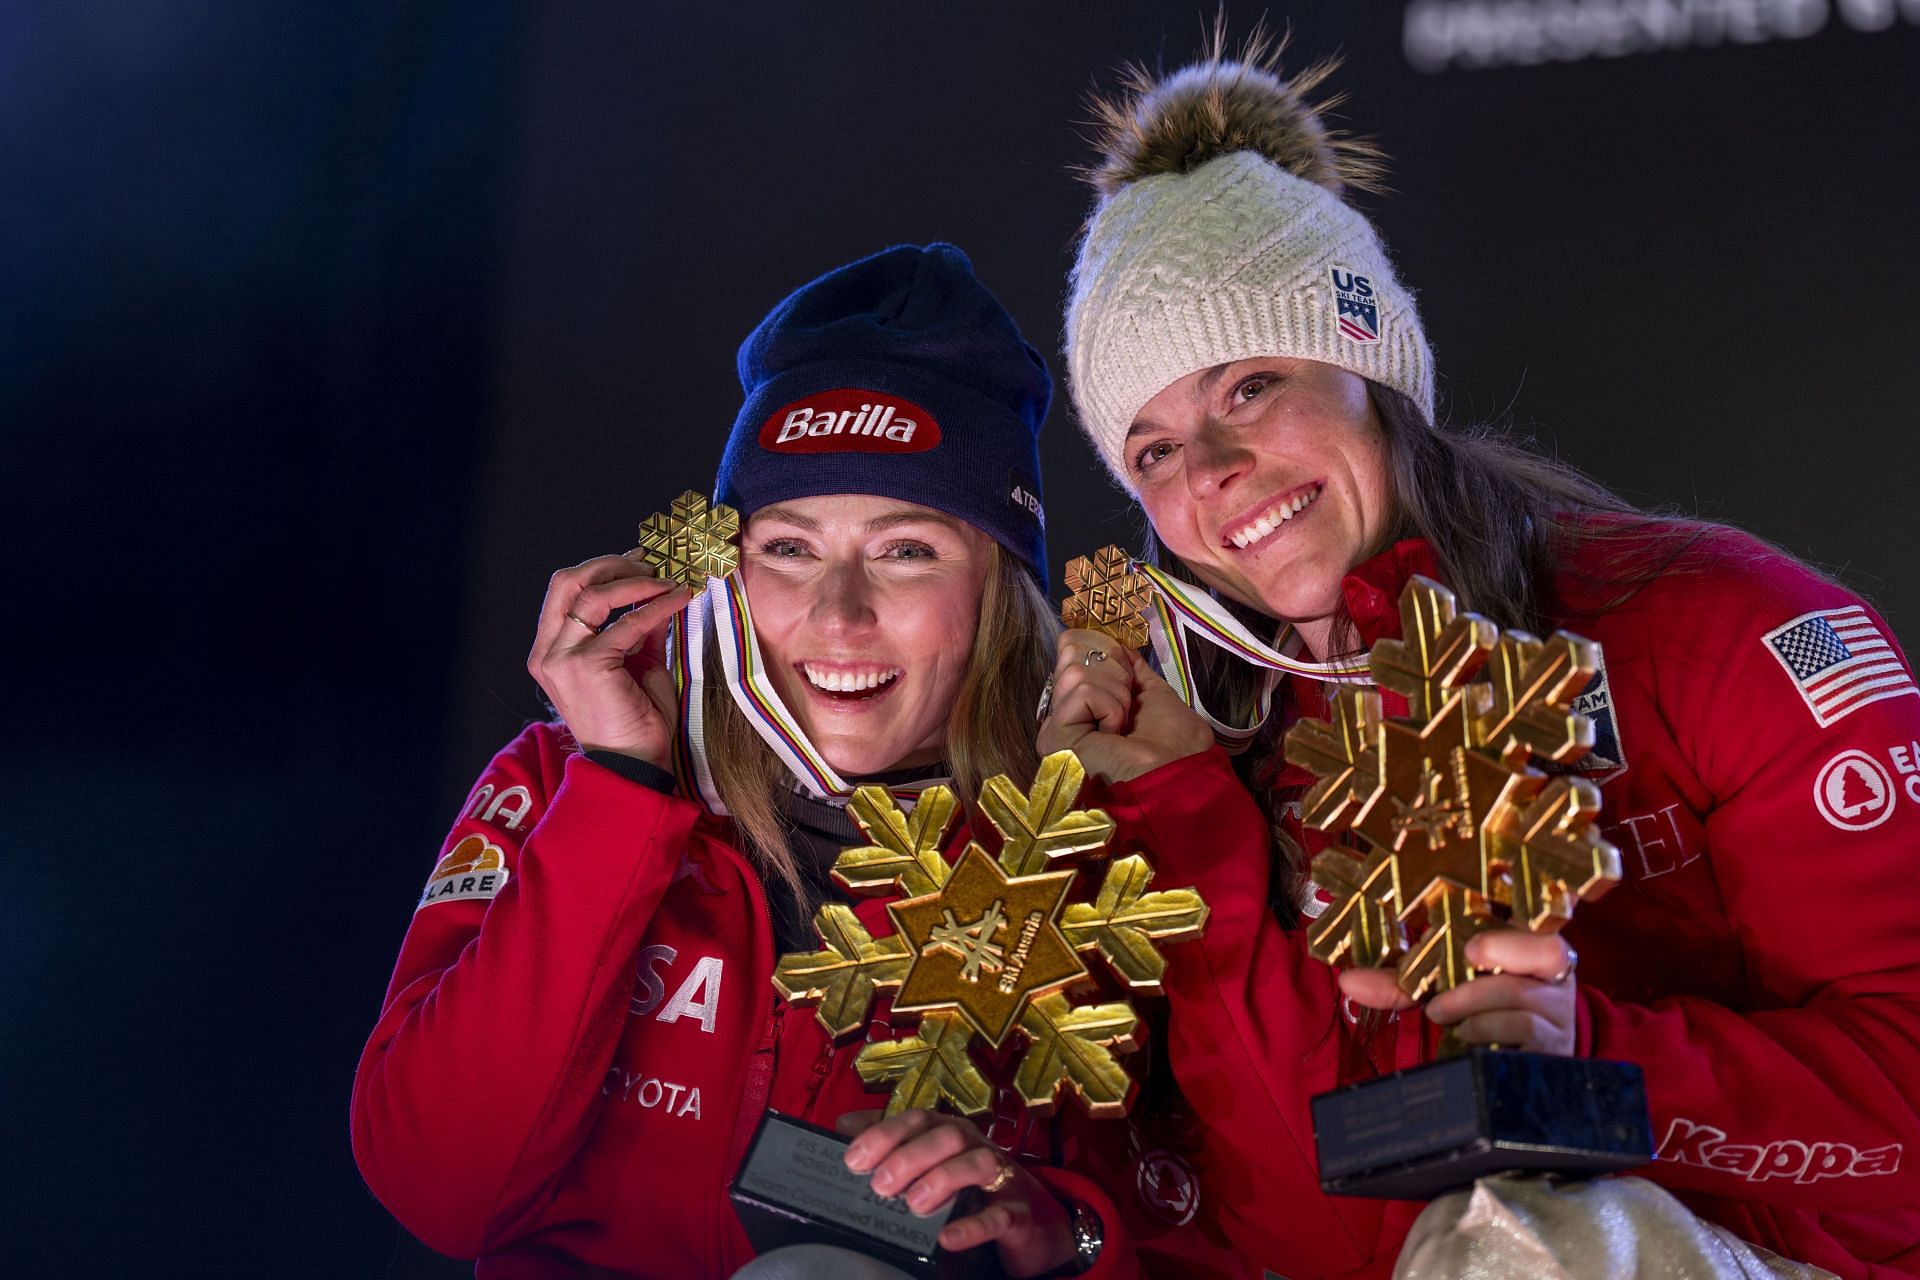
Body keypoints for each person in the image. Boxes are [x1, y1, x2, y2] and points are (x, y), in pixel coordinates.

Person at [1035, 35, 1920, 1280]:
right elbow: (1332, 1233)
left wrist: (1600, 1072)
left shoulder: (1721, 627)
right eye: (1155, 450)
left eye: (1249, 384)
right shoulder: (1233, 743)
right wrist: (1189, 823)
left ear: (1371, 368)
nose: (1215, 471)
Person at [350, 244, 1233, 1278]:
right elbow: (439, 1186)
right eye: (789, 547)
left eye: (907, 550)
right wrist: (620, 788)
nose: (838, 615)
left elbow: (1210, 1234)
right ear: (721, 571)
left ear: (996, 587)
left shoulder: (1094, 841)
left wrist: (1056, 1229)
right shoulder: (567, 776)